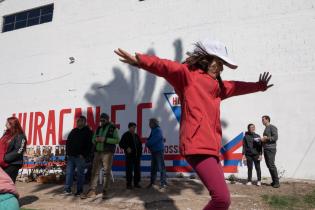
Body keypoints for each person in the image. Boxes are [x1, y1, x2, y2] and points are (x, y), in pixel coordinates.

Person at [115, 39, 273, 209]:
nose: (222, 68)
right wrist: (141, 61)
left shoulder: (219, 87)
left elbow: (237, 86)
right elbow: (166, 66)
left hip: (212, 148)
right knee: (222, 199)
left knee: (222, 200)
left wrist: (259, 86)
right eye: (219, 63)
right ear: (207, 60)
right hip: (197, 146)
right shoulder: (188, 76)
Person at [82, 113, 120, 199]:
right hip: (97, 152)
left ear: (107, 119)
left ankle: (105, 192)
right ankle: (92, 191)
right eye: (100, 120)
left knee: (106, 173)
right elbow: (93, 139)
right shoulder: (98, 128)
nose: (101, 122)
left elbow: (117, 140)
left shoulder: (113, 128)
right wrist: (95, 139)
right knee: (94, 172)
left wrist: (105, 139)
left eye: (103, 120)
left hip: (107, 153)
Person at [64, 115, 93, 196]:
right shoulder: (73, 131)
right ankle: (67, 189)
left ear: (84, 122)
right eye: (77, 121)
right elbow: (68, 142)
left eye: (79, 121)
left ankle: (79, 190)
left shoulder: (88, 132)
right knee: (69, 173)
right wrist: (67, 153)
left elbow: (90, 145)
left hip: (80, 157)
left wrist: (83, 155)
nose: (77, 122)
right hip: (71, 156)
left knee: (80, 174)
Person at [0, 117, 26, 183]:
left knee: (8, 183)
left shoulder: (20, 135)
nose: (5, 124)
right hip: (3, 163)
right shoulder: (6, 135)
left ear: (12, 124)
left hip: (12, 164)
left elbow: (19, 150)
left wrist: (5, 158)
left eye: (7, 123)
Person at [119, 122, 142, 189]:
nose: (134, 129)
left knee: (137, 170)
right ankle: (129, 184)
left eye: (135, 127)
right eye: (133, 127)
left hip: (137, 156)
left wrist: (140, 153)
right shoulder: (126, 135)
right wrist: (126, 148)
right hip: (129, 156)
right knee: (129, 170)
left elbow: (140, 145)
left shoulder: (136, 136)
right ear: (129, 127)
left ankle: (136, 183)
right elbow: (121, 144)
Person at [145, 118, 167, 189]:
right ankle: (152, 183)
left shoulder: (158, 130)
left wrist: (147, 143)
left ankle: (163, 183)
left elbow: (153, 140)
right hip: (155, 151)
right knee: (153, 168)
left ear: (153, 123)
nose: (149, 125)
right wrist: (148, 142)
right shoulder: (154, 130)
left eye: (150, 123)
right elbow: (150, 139)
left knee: (161, 167)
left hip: (158, 151)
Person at [261, 115, 280, 188]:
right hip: (266, 148)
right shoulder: (266, 128)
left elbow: (275, 137)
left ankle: (277, 183)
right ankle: (274, 181)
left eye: (263, 119)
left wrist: (266, 138)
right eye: (262, 120)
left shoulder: (272, 127)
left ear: (267, 120)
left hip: (271, 149)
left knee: (271, 165)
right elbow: (266, 139)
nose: (262, 121)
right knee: (269, 165)